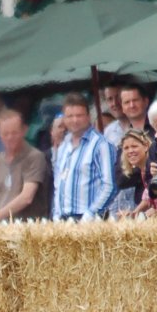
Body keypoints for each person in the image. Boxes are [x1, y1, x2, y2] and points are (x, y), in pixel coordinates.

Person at [0, 110, 50, 224]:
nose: (10, 137)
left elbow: (26, 197)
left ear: (24, 130)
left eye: (14, 133)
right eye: (5, 134)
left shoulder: (35, 157)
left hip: (28, 228)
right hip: (3, 226)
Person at [50, 92, 114, 220]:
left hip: (89, 219)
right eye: (70, 116)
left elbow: (109, 185)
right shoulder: (63, 147)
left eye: (79, 115)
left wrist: (90, 215)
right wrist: (56, 214)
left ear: (88, 116)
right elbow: (58, 184)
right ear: (64, 119)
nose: (74, 120)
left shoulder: (100, 145)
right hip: (62, 220)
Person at [109, 130, 152, 219]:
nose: (130, 151)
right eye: (126, 148)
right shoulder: (143, 170)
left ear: (146, 146)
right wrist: (133, 214)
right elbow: (147, 198)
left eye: (134, 146)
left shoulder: (152, 167)